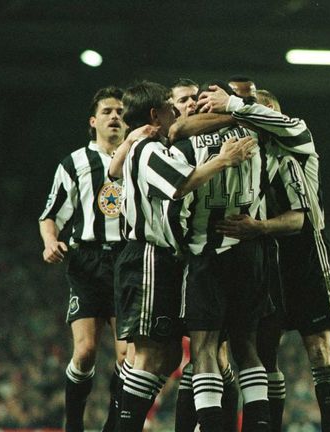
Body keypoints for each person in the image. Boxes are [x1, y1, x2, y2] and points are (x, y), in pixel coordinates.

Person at [194, 86, 330, 432]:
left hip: (305, 252)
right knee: (265, 351)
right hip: (262, 255)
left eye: (261, 111)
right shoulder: (244, 156)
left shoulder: (295, 147)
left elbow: (301, 220)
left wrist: (258, 226)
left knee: (318, 347)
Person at [115, 80, 254, 432]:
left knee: (169, 356)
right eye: (170, 105)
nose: (176, 110)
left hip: (167, 259)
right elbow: (180, 184)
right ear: (155, 113)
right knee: (149, 356)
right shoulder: (147, 149)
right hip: (148, 256)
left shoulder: (155, 145)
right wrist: (224, 160)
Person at [38, 86, 130, 432]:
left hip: (127, 261)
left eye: (120, 112)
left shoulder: (139, 158)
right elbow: (50, 215)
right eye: (107, 111)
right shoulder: (74, 163)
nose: (115, 116)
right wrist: (50, 242)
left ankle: (113, 426)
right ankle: (73, 424)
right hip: (87, 261)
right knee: (86, 351)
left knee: (127, 357)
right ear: (93, 121)